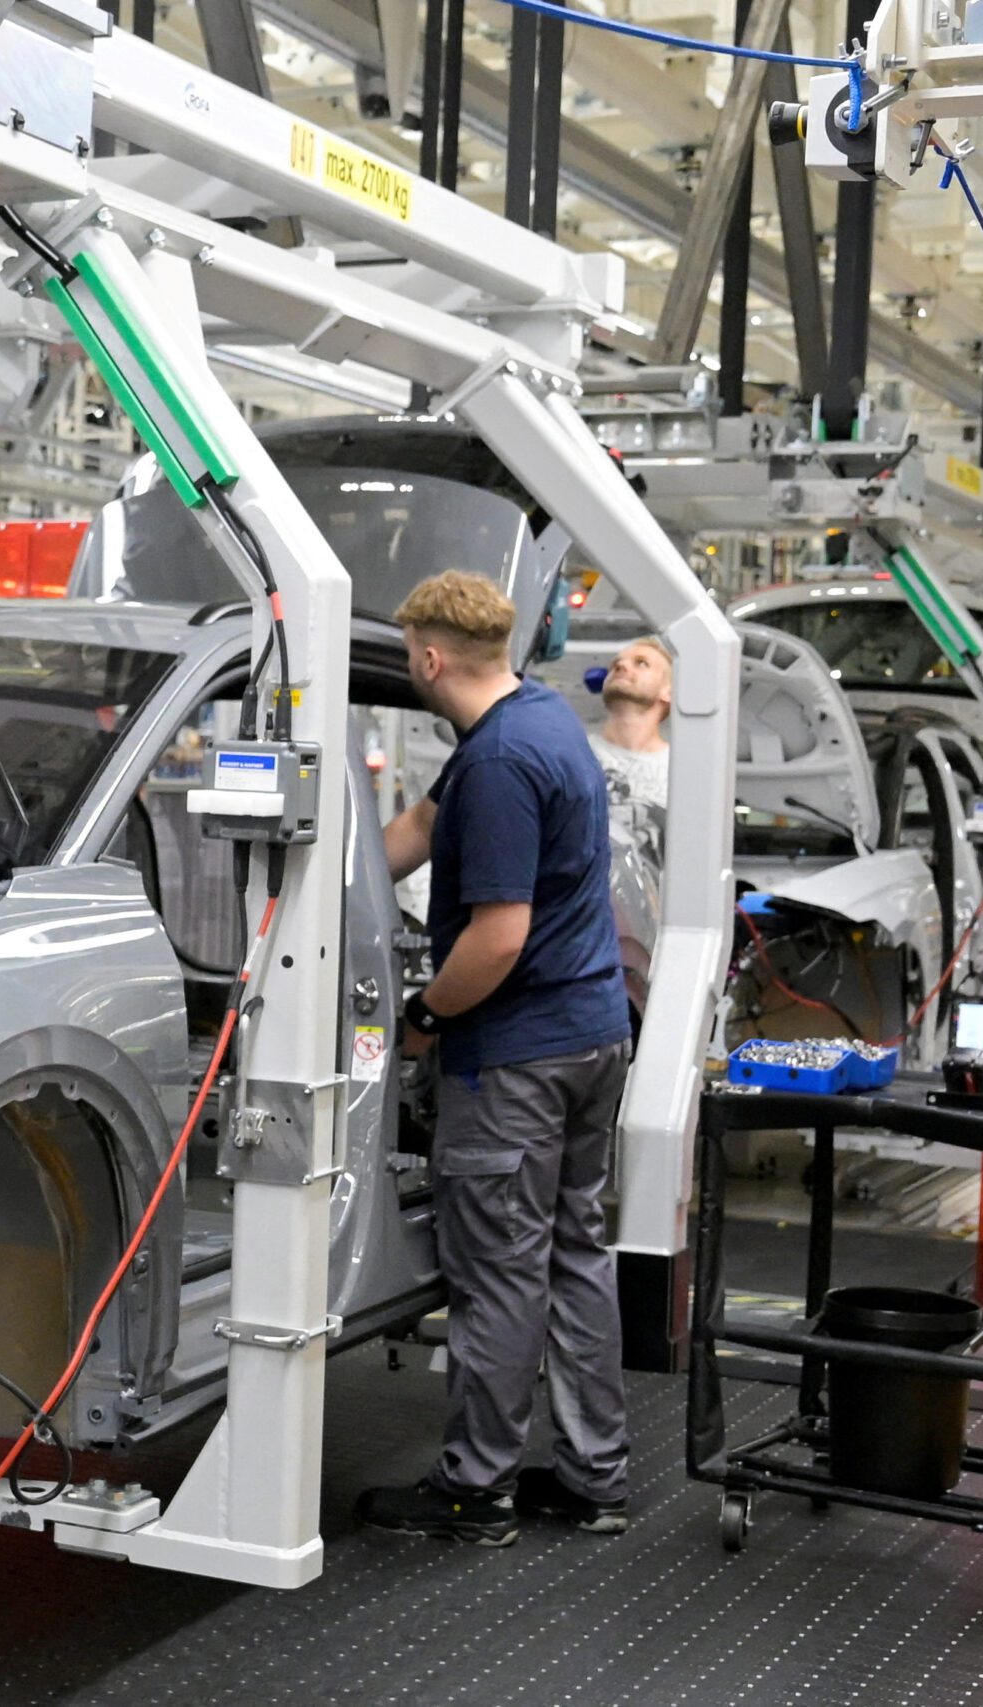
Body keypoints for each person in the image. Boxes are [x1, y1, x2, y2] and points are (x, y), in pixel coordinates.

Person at [357, 570, 635, 1548]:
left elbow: (499, 936)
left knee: (500, 1275)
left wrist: (423, 1014)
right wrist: (336, 877)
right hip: (591, 1038)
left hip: (516, 1059)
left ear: (428, 659)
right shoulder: (537, 720)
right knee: (574, 1258)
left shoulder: (500, 764)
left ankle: (476, 1489)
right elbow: (424, 828)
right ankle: (595, 1477)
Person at [590, 637, 673, 864]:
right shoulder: (576, 755)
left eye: (641, 663)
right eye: (616, 663)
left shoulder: (683, 770)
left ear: (669, 692)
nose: (621, 666)